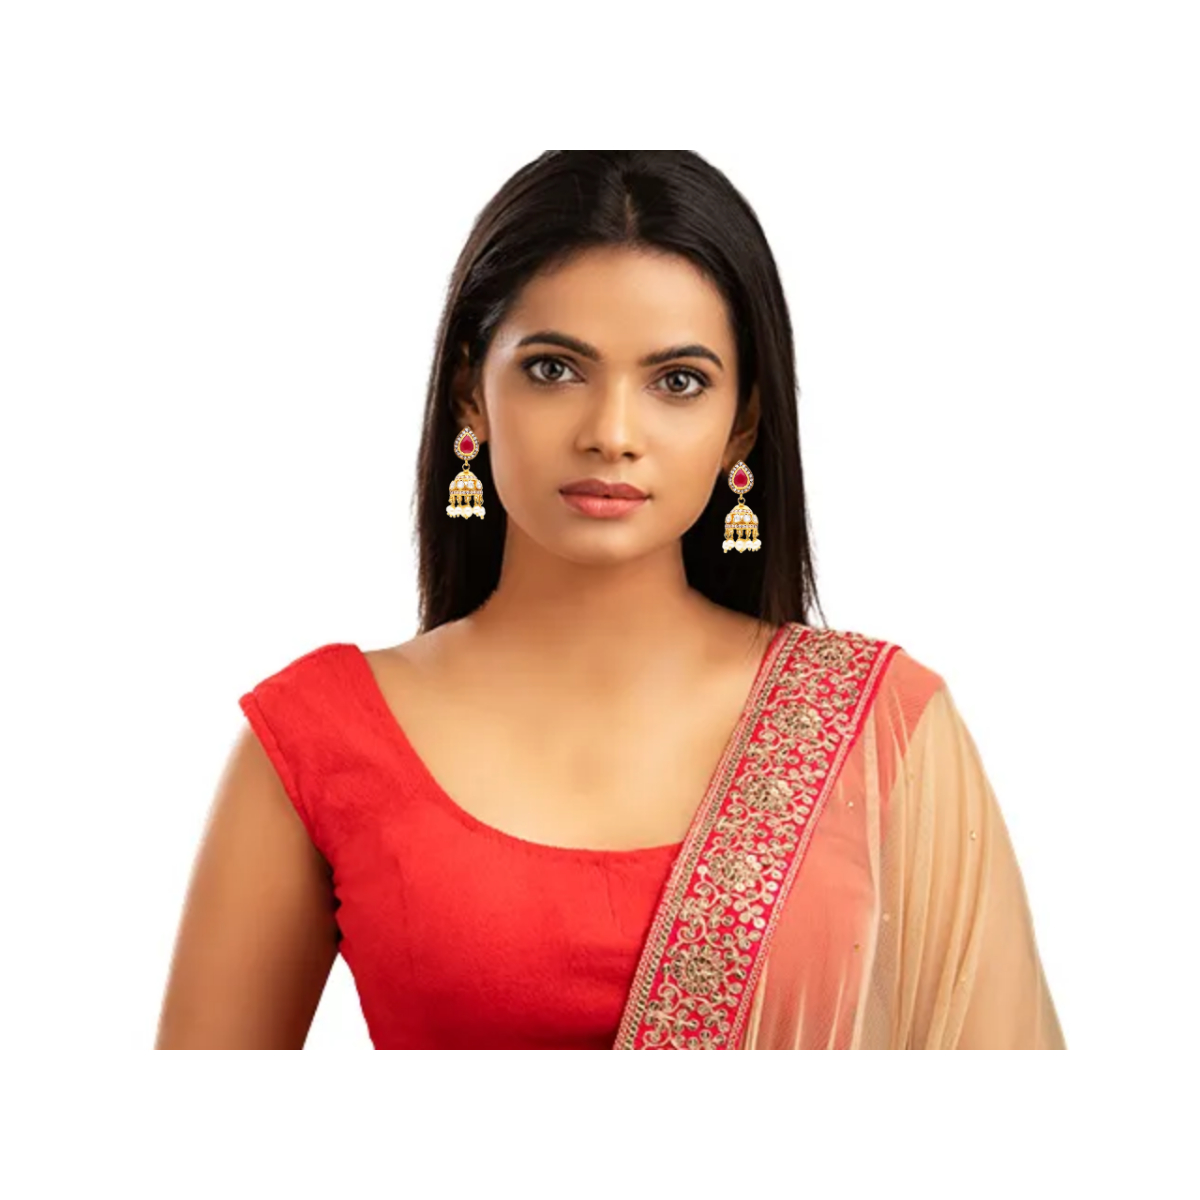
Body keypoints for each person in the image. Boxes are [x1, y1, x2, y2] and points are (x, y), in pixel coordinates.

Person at [155, 150, 1065, 1049]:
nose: (612, 433)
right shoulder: (317, 737)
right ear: (471, 392)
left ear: (742, 423)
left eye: (678, 382)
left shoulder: (878, 727)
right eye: (555, 369)